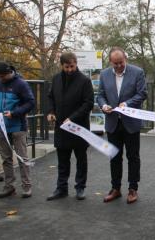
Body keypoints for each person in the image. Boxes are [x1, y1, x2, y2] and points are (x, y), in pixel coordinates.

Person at [0, 61, 35, 199]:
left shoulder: (21, 84)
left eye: (3, 76)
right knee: (6, 159)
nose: (1, 79)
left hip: (18, 127)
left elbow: (31, 102)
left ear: (10, 72)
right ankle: (9, 186)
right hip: (1, 127)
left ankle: (27, 187)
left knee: (22, 157)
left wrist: (15, 113)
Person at [97, 47, 147, 204]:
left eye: (121, 62)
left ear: (126, 59)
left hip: (131, 122)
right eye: (115, 63)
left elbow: (142, 93)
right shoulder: (104, 74)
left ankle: (133, 189)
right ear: (110, 62)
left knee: (133, 157)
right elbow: (100, 95)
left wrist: (127, 103)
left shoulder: (137, 72)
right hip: (113, 122)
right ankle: (115, 188)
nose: (119, 66)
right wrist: (104, 106)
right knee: (114, 157)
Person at [46, 52, 94, 201]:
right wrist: (51, 112)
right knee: (62, 160)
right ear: (62, 65)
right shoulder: (56, 79)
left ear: (76, 63)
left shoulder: (85, 81)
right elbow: (50, 97)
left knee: (81, 159)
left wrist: (72, 118)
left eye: (72, 66)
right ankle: (61, 189)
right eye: (66, 67)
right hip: (61, 127)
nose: (69, 70)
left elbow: (88, 104)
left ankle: (80, 188)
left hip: (79, 127)